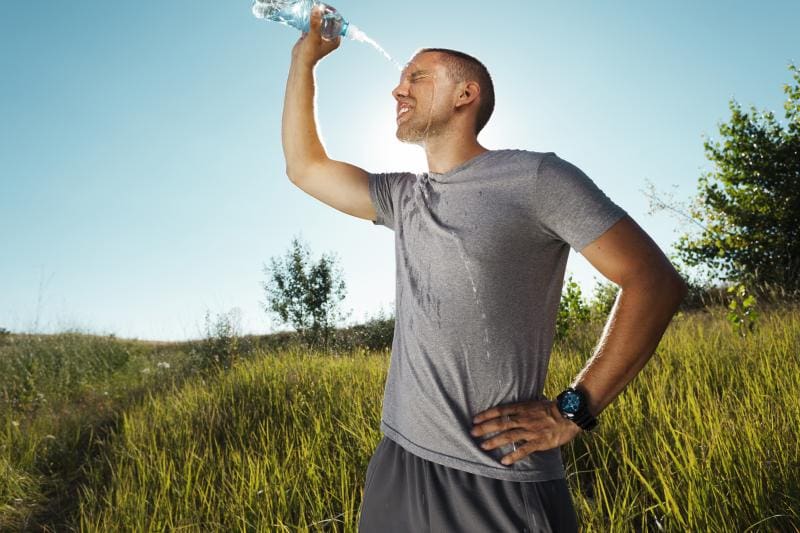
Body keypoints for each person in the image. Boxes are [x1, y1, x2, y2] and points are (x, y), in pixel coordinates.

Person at [282, 7, 688, 532]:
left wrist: (574, 408)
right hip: (400, 461)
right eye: (401, 79)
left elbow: (654, 282)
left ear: (464, 94)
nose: (397, 90)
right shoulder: (403, 198)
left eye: (417, 77)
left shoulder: (537, 178)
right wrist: (303, 60)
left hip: (497, 478)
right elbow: (305, 168)